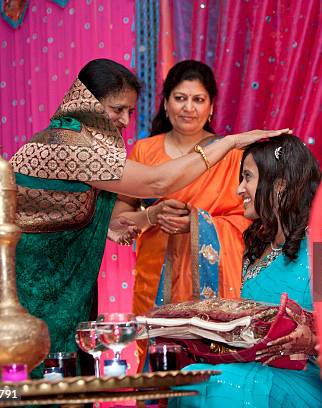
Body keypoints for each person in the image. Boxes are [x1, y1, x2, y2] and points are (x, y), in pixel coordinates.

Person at [0, 58, 288, 382]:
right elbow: (158, 183)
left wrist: (119, 223)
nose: (125, 120)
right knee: (4, 369)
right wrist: (228, 141)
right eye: (117, 109)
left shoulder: (80, 141)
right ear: (87, 104)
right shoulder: (71, 144)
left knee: (42, 364)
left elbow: (61, 209)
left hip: (24, 264)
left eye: (130, 110)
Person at [169, 135, 322, 408]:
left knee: (217, 386)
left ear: (279, 187)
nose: (239, 189)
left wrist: (312, 342)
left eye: (247, 178)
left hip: (321, 384)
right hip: (258, 372)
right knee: (187, 380)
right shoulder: (255, 253)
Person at [107, 60, 252, 367]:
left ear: (211, 106)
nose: (189, 108)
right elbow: (118, 219)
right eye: (180, 98)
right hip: (153, 278)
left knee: (208, 368)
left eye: (198, 99)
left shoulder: (230, 155)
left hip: (213, 288)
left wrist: (197, 224)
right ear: (165, 102)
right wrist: (152, 214)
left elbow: (248, 223)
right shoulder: (145, 152)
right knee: (157, 366)